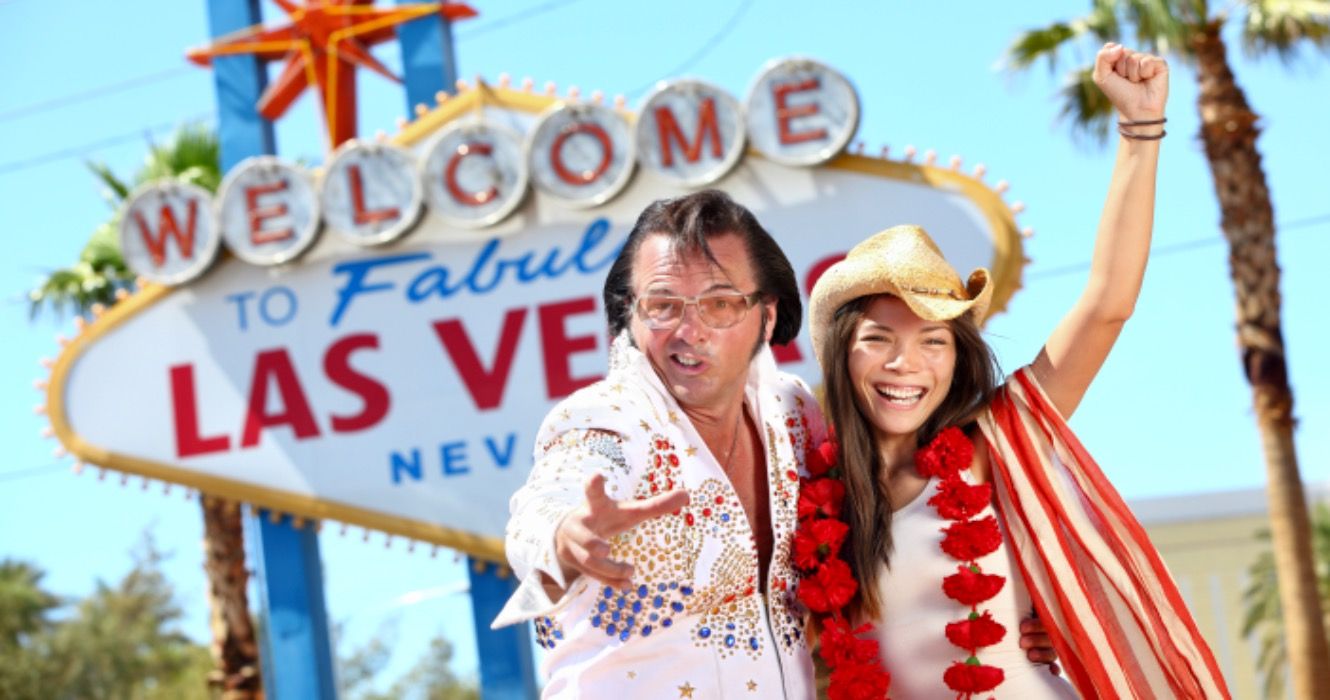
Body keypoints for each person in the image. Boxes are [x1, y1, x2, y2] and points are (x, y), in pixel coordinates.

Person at [494, 190, 1058, 698]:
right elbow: (549, 501)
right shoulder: (604, 419)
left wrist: (1012, 621)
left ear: (766, 318)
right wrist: (565, 538)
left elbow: (878, 538)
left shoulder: (793, 415)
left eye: (718, 304)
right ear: (630, 318)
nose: (688, 330)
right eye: (662, 305)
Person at [803, 44, 1230, 698]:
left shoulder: (993, 442)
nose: (904, 364)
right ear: (842, 352)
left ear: (957, 360)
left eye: (934, 342)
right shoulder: (808, 496)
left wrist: (1140, 131)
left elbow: (1107, 306)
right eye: (879, 338)